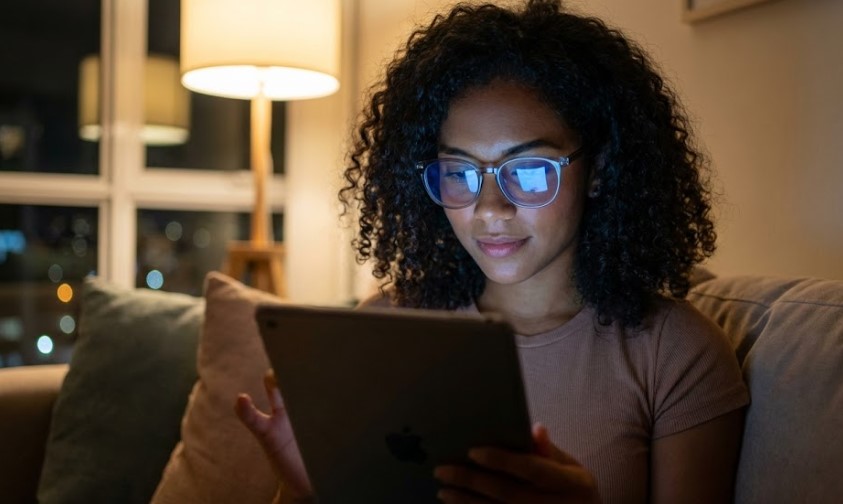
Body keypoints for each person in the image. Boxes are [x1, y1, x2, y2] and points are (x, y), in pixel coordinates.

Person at [236, 0, 750, 502]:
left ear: (598, 170)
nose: (490, 208)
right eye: (460, 172)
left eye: (528, 170)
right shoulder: (387, 327)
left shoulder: (676, 353)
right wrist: (306, 492)